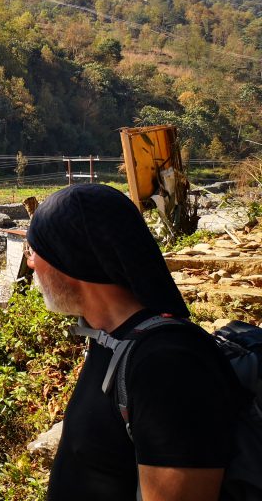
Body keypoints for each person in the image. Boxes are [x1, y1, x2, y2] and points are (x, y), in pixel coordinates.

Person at [25, 184, 243, 501]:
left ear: (70, 259)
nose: (31, 265)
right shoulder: (108, 340)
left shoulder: (169, 365)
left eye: (34, 252)